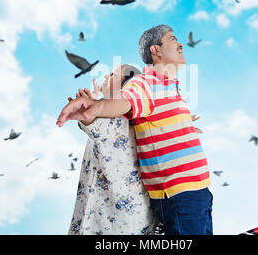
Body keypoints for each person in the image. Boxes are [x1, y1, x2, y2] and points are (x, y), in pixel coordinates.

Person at [57, 25, 213, 235]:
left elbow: (143, 112)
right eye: (173, 39)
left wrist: (182, 123)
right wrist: (96, 108)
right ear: (156, 50)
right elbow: (121, 106)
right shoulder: (143, 85)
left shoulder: (165, 88)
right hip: (172, 196)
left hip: (192, 191)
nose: (181, 43)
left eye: (112, 74)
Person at [68, 64, 158, 235]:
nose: (105, 78)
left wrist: (89, 109)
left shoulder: (117, 116)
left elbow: (94, 125)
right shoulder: (134, 116)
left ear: (127, 86)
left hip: (114, 219)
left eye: (112, 75)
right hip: (130, 215)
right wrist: (93, 104)